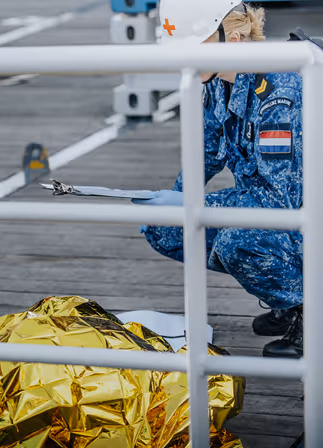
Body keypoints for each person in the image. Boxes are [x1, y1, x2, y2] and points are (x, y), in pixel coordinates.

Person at [135, 0, 304, 358]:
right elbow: (206, 153)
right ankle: (287, 299)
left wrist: (193, 205)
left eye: (193, 47)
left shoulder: (279, 95)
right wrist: (172, 200)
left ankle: (308, 312)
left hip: (304, 219)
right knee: (163, 227)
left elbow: (278, 203)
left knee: (238, 241)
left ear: (236, 36)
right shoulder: (217, 80)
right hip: (284, 217)